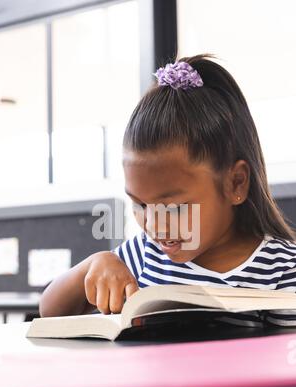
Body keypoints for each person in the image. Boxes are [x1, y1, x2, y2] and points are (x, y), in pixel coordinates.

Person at [40, 53, 296, 327]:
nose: (154, 226)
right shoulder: (144, 254)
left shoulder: (282, 269)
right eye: (139, 205)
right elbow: (49, 310)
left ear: (236, 183)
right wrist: (93, 266)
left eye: (173, 208)